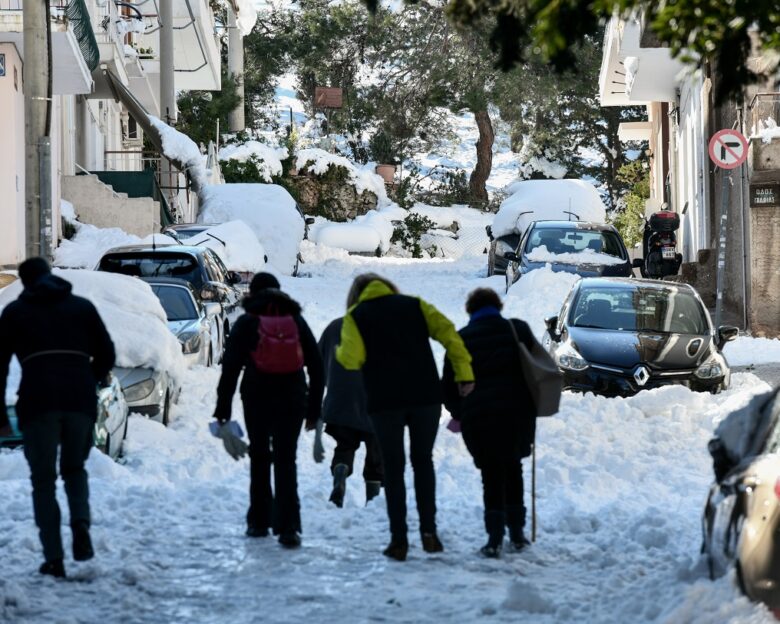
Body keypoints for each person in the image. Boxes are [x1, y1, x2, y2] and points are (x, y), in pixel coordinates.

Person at [336, 273, 474, 561]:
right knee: (423, 462)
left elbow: (351, 359)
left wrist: (342, 349)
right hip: (425, 397)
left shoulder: (356, 315)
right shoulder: (415, 305)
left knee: (393, 467)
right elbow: (450, 334)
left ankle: (399, 540)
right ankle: (429, 532)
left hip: (384, 401)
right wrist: (464, 374)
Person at [0, 258, 116, 578]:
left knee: (43, 481)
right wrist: (87, 378)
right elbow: (107, 352)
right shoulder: (82, 307)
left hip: (38, 403)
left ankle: (54, 557)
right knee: (75, 470)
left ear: (24, 282)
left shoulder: (14, 314)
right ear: (50, 276)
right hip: (79, 401)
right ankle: (80, 524)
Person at [213, 272, 324, 548]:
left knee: (260, 457)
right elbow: (317, 365)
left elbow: (230, 370)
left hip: (257, 397)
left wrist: (223, 413)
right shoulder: (296, 320)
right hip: (293, 398)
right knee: (286, 460)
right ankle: (289, 528)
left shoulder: (247, 322)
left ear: (252, 292)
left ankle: (259, 522)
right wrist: (314, 408)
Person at [442, 288, 537, 558]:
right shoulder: (517, 330)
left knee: (491, 475)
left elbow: (447, 385)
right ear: (498, 306)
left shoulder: (460, 339)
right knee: (513, 469)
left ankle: (494, 538)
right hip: (516, 414)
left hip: (479, 418)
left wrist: (460, 411)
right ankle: (517, 533)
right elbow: (537, 369)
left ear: (470, 311)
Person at [319, 315, 383, 508]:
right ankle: (372, 498)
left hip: (341, 398)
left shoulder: (335, 325)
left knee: (344, 446)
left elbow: (318, 359)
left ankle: (341, 470)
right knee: (376, 451)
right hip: (375, 399)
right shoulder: (383, 325)